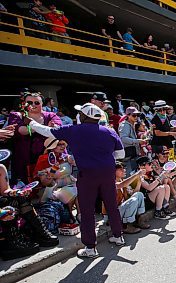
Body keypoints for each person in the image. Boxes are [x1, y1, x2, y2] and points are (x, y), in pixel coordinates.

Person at [25, 103, 126, 258]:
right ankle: (118, 236)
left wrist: (31, 123)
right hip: (107, 173)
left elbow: (48, 131)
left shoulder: (73, 130)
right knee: (112, 205)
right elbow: (120, 155)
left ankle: (90, 248)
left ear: (84, 116)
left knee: (87, 210)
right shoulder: (109, 131)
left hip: (87, 175)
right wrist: (101, 158)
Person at [8, 92, 61, 183]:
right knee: (24, 186)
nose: (33, 105)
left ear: (42, 104)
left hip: (45, 157)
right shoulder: (17, 115)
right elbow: (20, 130)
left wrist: (32, 126)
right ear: (24, 103)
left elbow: (57, 129)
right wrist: (43, 128)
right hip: (23, 158)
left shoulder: (51, 115)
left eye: (37, 103)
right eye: (29, 102)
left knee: (47, 185)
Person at [114, 162, 150, 233]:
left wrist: (139, 180)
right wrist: (136, 174)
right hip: (113, 214)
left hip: (121, 210)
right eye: (121, 169)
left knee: (139, 194)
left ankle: (139, 220)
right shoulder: (110, 182)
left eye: (124, 168)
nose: (124, 170)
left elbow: (134, 193)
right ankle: (126, 226)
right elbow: (123, 184)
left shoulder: (121, 180)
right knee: (133, 200)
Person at [119, 106, 145, 174]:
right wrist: (138, 141)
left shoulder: (132, 124)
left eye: (137, 115)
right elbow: (123, 139)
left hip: (133, 155)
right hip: (128, 156)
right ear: (128, 115)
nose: (136, 117)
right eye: (134, 115)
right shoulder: (125, 125)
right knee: (129, 174)